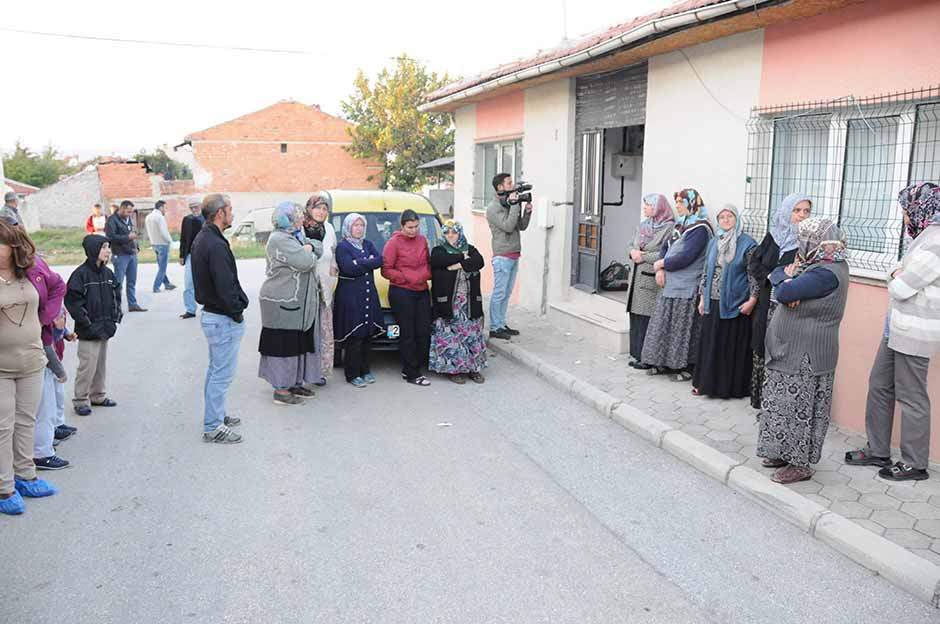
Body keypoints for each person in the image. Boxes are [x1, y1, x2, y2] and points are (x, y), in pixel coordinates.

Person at [846, 183, 940, 481]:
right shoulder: (923, 237)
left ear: (919, 207)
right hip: (896, 327)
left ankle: (915, 463)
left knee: (912, 396)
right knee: (879, 384)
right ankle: (878, 450)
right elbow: (898, 276)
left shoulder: (936, 241)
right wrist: (896, 274)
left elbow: (900, 286)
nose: (903, 216)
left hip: (915, 331)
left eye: (904, 209)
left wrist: (895, 275)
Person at [756, 218, 850, 484]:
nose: (801, 244)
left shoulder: (825, 273)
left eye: (805, 239)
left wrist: (786, 283)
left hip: (806, 355)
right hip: (792, 351)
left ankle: (800, 464)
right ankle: (781, 451)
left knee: (799, 409)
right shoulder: (816, 265)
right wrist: (784, 279)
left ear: (817, 241)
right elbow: (776, 276)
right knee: (781, 404)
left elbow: (784, 292)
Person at [0, 218, 63, 515]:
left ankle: (26, 476)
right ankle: (5, 487)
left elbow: (57, 289)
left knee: (27, 420)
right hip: (1, 366)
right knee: (3, 426)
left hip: (32, 360)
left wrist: (47, 318)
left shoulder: (32, 271)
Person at [191, 194, 248, 443]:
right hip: (221, 318)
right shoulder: (213, 244)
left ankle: (217, 415)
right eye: (230, 209)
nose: (232, 214)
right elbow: (225, 287)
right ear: (219, 214)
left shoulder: (207, 237)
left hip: (215, 316)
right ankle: (213, 426)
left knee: (216, 371)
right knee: (221, 375)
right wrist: (237, 311)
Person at [747, 194, 812, 409]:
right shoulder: (773, 236)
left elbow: (806, 273)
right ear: (786, 212)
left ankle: (777, 403)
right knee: (762, 343)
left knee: (782, 350)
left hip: (788, 305)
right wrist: (771, 275)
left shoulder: (809, 242)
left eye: (806, 211)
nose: (802, 216)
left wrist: (786, 279)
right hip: (766, 300)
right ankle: (760, 401)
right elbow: (754, 262)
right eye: (797, 210)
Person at [641, 188, 713, 381]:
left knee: (683, 329)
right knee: (665, 326)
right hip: (670, 284)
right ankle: (663, 363)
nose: (678, 206)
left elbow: (687, 256)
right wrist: (661, 269)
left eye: (681, 203)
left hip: (687, 286)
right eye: (677, 203)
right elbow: (665, 247)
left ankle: (685, 367)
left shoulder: (700, 228)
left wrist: (662, 263)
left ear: (692, 203)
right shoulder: (681, 225)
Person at [258, 202, 323, 406]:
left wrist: (309, 246)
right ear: (288, 218)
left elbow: (318, 248)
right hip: (280, 301)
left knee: (297, 343)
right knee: (283, 345)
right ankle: (282, 390)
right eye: (298, 215)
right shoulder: (280, 239)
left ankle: (294, 382)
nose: (302, 219)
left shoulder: (295, 236)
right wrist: (309, 250)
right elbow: (306, 262)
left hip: (296, 303)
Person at [692, 205, 758, 398]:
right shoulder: (714, 242)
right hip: (712, 301)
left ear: (737, 219)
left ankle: (726, 389)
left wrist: (753, 300)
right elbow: (706, 271)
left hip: (735, 303)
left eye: (730, 216)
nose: (726, 220)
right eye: (722, 217)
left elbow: (753, 275)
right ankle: (705, 384)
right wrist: (702, 297)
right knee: (710, 344)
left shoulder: (748, 244)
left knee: (728, 347)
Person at [65, 235, 122, 417]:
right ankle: (81, 400)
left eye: (108, 247)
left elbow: (116, 295)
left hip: (105, 328)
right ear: (93, 250)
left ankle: (98, 395)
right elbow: (73, 301)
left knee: (100, 364)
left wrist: (115, 317)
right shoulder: (80, 275)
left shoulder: (108, 274)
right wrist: (86, 322)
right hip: (88, 330)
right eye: (104, 247)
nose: (108, 251)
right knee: (87, 366)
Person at [429, 220, 487, 384]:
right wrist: (462, 257)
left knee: (471, 336)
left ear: (460, 233)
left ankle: (473, 369)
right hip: (449, 303)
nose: (450, 236)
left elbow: (479, 261)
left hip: (469, 302)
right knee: (451, 337)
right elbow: (438, 261)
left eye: (454, 232)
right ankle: (454, 371)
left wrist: (456, 265)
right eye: (447, 233)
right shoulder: (438, 250)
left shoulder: (471, 248)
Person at [382, 209, 433, 386]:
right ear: (402, 226)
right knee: (408, 332)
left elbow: (427, 263)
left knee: (423, 330)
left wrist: (423, 275)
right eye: (410, 227)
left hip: (421, 290)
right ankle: (411, 372)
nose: (414, 230)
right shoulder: (393, 243)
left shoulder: (422, 240)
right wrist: (406, 277)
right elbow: (385, 269)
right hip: (401, 291)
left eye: (417, 227)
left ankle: (416, 364)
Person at [333, 213, 383, 388]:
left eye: (362, 225)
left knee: (367, 336)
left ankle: (365, 370)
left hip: (368, 296)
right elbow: (347, 268)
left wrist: (359, 262)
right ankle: (352, 374)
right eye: (356, 225)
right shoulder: (342, 246)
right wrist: (366, 261)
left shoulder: (368, 244)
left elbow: (379, 261)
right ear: (348, 227)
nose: (359, 228)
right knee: (354, 336)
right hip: (350, 297)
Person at [626, 194, 675, 369]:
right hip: (636, 278)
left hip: (650, 279)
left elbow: (666, 254)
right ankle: (636, 354)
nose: (645, 208)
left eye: (648, 205)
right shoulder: (643, 225)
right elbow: (632, 244)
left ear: (658, 207)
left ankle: (647, 358)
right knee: (636, 318)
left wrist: (643, 257)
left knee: (647, 319)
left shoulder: (668, 228)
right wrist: (632, 252)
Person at [486, 173, 532, 340]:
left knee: (506, 293)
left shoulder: (507, 205)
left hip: (513, 254)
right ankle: (494, 327)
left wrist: (526, 212)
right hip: (502, 255)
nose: (512, 185)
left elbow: (520, 226)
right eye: (509, 183)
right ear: (500, 187)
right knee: (499, 293)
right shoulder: (493, 208)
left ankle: (501, 324)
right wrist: (514, 204)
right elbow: (507, 226)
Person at [33, 306, 77, 470]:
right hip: (41, 364)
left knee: (45, 409)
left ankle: (42, 445)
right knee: (45, 411)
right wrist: (60, 370)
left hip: (41, 362)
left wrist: (62, 331)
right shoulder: (40, 301)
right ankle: (42, 454)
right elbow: (46, 342)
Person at [303, 192, 338, 385]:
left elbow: (333, 256)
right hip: (305, 291)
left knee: (323, 333)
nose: (321, 212)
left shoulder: (329, 228)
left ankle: (320, 372)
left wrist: (333, 278)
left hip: (325, 290)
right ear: (309, 209)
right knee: (307, 332)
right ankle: (303, 372)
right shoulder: (301, 229)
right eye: (318, 208)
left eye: (325, 209)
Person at [106, 200, 147, 312]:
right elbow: (110, 237)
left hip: (132, 254)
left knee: (132, 281)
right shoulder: (112, 220)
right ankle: (116, 306)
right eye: (128, 211)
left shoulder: (128, 219)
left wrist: (136, 246)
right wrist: (128, 238)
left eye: (131, 212)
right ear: (122, 209)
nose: (130, 214)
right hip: (120, 255)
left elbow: (133, 232)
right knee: (118, 283)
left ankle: (132, 304)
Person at [178, 198, 204, 319]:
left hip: (205, 255)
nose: (194, 210)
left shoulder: (207, 218)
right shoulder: (187, 220)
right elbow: (183, 238)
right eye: (191, 207)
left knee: (206, 282)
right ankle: (190, 309)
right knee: (188, 283)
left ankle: (209, 307)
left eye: (196, 207)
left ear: (201, 207)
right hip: (190, 255)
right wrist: (182, 255)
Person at [145, 200, 176, 294]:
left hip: (154, 244)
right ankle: (156, 286)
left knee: (161, 265)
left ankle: (167, 284)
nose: (165, 210)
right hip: (162, 244)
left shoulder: (148, 217)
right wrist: (170, 241)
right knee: (162, 267)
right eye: (165, 208)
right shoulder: (159, 217)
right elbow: (164, 232)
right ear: (161, 207)